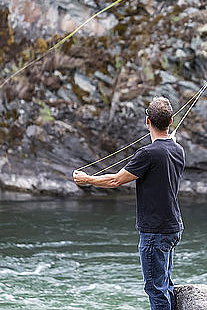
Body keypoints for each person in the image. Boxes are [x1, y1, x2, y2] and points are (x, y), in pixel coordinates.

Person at [73, 96, 185, 310]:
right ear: (170, 122)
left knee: (156, 289)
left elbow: (116, 180)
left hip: (155, 231)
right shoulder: (177, 150)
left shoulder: (148, 154)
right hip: (172, 227)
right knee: (165, 285)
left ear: (147, 121)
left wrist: (86, 179)